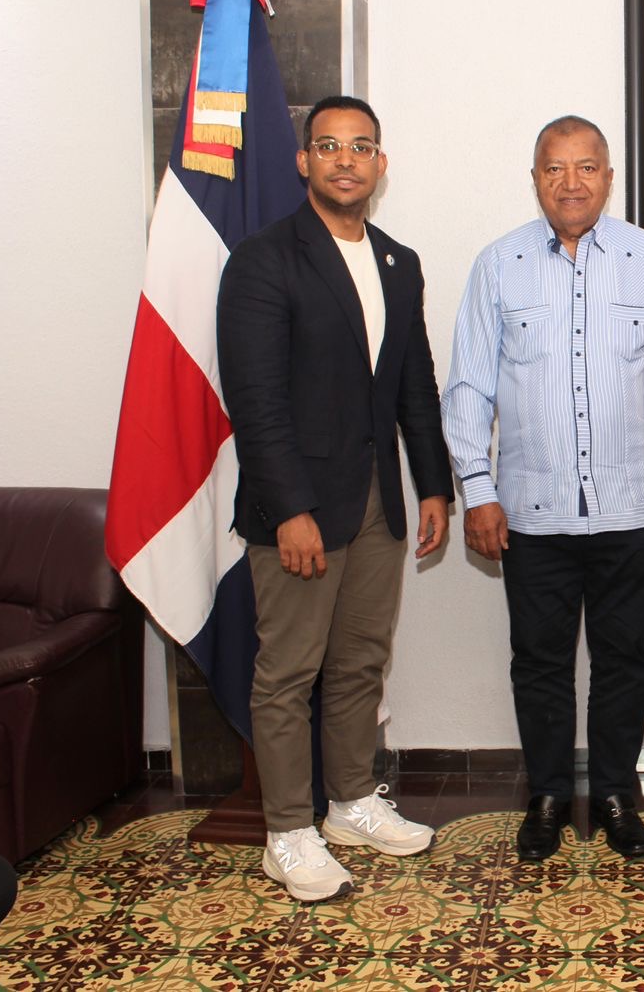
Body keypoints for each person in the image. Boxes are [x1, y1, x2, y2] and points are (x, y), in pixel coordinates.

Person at [217, 95, 452, 902]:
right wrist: (289, 509)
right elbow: (255, 400)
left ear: (380, 163)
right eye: (328, 146)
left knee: (360, 663)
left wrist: (433, 486)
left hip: (379, 502)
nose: (345, 160)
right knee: (289, 673)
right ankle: (288, 831)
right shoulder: (263, 260)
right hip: (300, 510)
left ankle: (351, 802)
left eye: (360, 147)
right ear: (304, 161)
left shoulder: (398, 262)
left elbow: (414, 383)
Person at [442, 116, 644, 862]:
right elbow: (468, 387)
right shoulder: (499, 264)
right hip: (531, 512)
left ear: (609, 178)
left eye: (586, 168)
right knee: (539, 664)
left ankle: (615, 794)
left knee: (625, 664)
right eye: (555, 168)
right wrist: (477, 489)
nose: (571, 182)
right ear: (535, 179)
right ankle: (548, 795)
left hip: (632, 505)